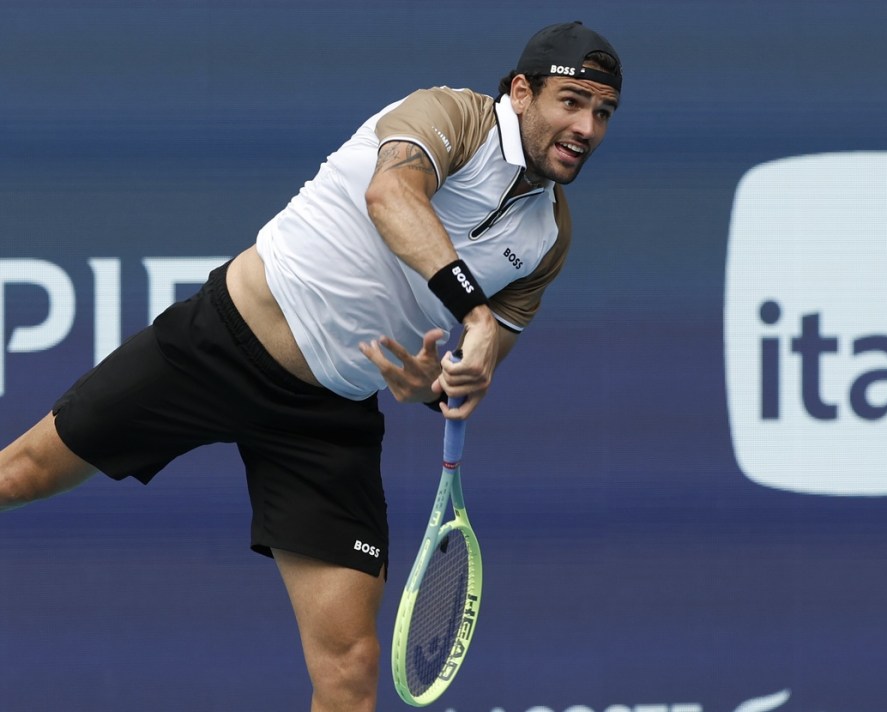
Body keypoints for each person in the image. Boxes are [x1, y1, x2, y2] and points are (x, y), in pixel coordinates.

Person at [0, 20, 622, 712]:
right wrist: (472, 312)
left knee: (350, 674)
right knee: (20, 474)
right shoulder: (452, 116)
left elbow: (470, 369)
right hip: (220, 344)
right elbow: (391, 197)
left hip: (325, 418)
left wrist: (438, 386)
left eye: (603, 113)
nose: (587, 126)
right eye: (572, 102)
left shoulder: (548, 235)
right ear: (521, 91)